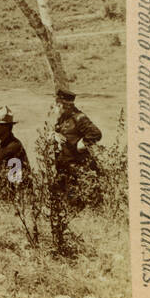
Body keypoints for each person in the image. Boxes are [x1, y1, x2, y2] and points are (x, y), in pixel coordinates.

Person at [50, 89, 102, 249]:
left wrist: (82, 144)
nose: (55, 107)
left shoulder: (79, 118)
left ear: (63, 104)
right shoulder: (62, 119)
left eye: (57, 104)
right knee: (61, 202)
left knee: (77, 203)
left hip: (78, 169)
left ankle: (80, 234)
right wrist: (53, 135)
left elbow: (96, 133)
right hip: (64, 168)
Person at [0, 106, 31, 200]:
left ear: (6, 127)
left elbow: (14, 181)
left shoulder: (12, 148)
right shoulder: (6, 144)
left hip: (16, 199)